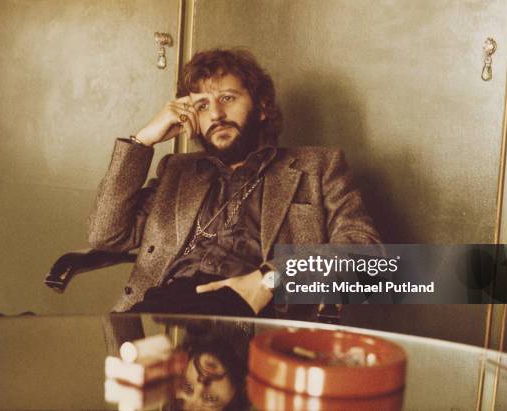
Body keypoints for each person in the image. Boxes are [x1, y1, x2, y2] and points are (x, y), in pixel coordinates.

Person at [88, 48, 380, 319]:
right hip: (165, 315)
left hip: (256, 321)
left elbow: (367, 257)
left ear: (262, 106)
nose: (215, 114)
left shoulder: (318, 167)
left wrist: (271, 279)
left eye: (227, 98)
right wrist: (143, 141)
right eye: (201, 105)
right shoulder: (177, 171)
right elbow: (106, 235)